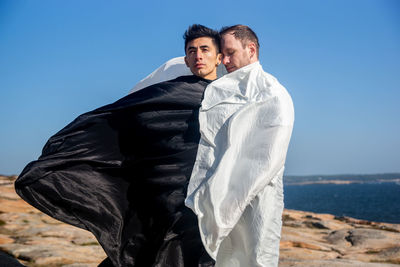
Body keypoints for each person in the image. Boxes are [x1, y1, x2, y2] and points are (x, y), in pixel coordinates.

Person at [15, 24, 221, 267]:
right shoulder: (170, 91)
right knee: (155, 248)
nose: (198, 55)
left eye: (205, 50)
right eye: (191, 51)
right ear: (185, 60)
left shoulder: (229, 97)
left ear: (219, 58)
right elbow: (122, 116)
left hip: (204, 191)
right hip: (164, 188)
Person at [185, 25, 294, 266]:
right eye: (222, 55)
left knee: (256, 256)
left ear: (251, 49)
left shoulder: (273, 93)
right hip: (218, 192)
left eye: (230, 53)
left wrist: (226, 199)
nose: (224, 61)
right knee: (225, 258)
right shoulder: (221, 88)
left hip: (257, 195)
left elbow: (268, 157)